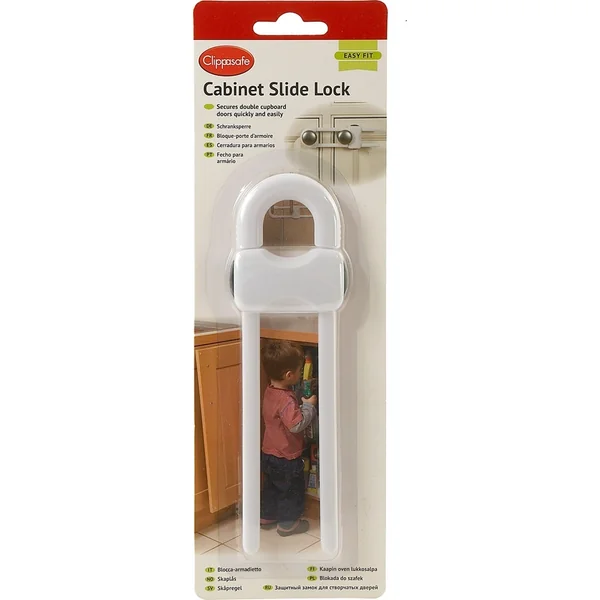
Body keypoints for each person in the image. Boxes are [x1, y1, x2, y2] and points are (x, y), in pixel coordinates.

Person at [260, 340, 318, 536]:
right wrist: (309, 407)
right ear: (289, 375)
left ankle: (267, 515)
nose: (301, 373)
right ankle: (287, 525)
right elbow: (296, 425)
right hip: (287, 456)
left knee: (271, 487)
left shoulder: (270, 391)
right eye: (299, 370)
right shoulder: (286, 399)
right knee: (290, 491)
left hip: (269, 452)